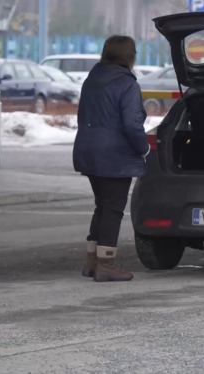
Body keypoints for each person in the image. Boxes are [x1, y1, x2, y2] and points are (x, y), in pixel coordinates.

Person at [73, 35, 150, 282]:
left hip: (88, 150)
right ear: (130, 56)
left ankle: (92, 261)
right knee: (113, 209)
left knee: (102, 205)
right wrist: (144, 148)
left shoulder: (92, 80)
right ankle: (106, 264)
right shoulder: (127, 84)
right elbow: (132, 124)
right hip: (114, 155)